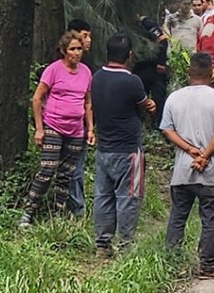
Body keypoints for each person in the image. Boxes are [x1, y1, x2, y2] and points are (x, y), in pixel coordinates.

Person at [160, 52, 214, 279]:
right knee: (210, 219)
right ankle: (208, 266)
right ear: (212, 73)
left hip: (183, 171)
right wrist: (204, 155)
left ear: (189, 72)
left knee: (178, 217)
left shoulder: (174, 98)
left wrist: (189, 149)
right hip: (210, 172)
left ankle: (172, 265)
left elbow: (167, 129)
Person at [19, 32, 94, 227]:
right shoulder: (53, 70)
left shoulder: (86, 72)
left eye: (79, 49)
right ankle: (29, 211)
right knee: (47, 169)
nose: (76, 53)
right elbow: (37, 98)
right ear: (64, 51)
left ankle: (57, 213)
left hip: (76, 130)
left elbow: (87, 102)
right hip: (53, 125)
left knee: (66, 174)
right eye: (72, 49)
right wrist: (39, 128)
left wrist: (90, 128)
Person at [91, 33, 156, 256]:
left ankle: (102, 244)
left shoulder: (97, 77)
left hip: (104, 149)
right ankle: (126, 245)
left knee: (103, 196)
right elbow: (145, 105)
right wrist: (151, 105)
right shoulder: (131, 81)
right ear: (129, 55)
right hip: (128, 149)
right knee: (128, 197)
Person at [66, 19, 96, 218]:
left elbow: (88, 100)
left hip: (81, 127)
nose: (88, 40)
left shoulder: (87, 68)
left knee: (77, 169)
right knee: (67, 170)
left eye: (89, 36)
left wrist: (90, 127)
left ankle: (78, 210)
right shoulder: (57, 67)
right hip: (59, 126)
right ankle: (73, 210)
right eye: (84, 35)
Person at [133, 16, 168, 127]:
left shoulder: (147, 23)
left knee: (158, 98)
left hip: (154, 67)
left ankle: (159, 125)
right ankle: (142, 123)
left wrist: (161, 62)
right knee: (139, 97)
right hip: (139, 67)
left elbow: (162, 41)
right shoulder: (129, 24)